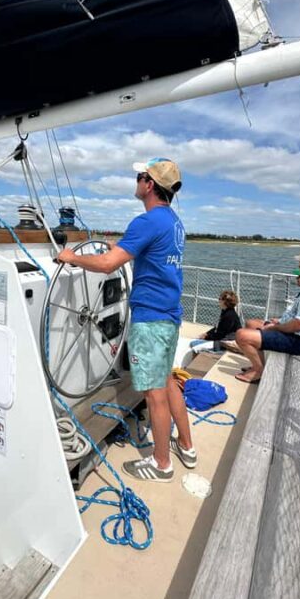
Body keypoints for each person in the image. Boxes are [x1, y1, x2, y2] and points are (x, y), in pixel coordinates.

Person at [58, 157, 195, 482]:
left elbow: (108, 265)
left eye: (139, 176)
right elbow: (151, 253)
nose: (136, 181)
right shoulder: (173, 222)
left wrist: (72, 257)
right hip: (169, 315)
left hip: (150, 320)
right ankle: (187, 446)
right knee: (168, 382)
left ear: (149, 184)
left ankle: (161, 464)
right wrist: (118, 247)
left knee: (154, 393)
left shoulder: (146, 221)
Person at [235, 250, 300, 384]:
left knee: (242, 335)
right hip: (295, 334)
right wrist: (280, 322)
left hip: (299, 341)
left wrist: (275, 327)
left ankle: (258, 371)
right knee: (251, 324)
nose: (299, 266)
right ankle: (258, 365)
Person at [177, 290, 241, 368]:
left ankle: (191, 368)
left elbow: (220, 334)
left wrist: (206, 337)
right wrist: (206, 334)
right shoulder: (226, 312)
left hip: (224, 343)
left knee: (195, 346)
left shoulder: (229, 316)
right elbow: (217, 328)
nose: (218, 300)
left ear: (225, 302)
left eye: (220, 299)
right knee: (195, 342)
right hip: (221, 340)